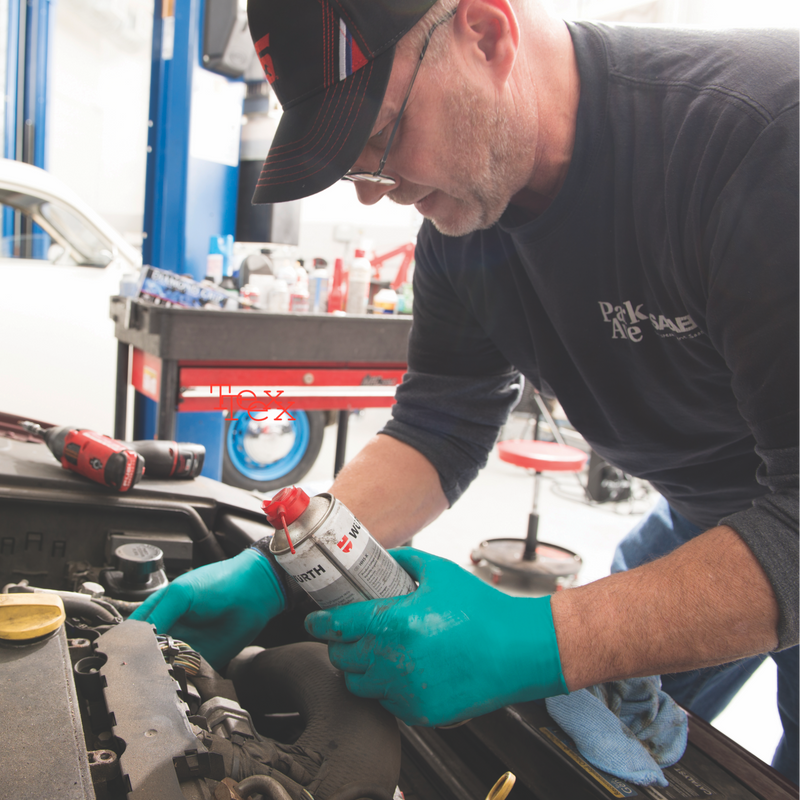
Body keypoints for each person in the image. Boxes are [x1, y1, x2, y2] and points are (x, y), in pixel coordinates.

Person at [133, 0, 800, 785]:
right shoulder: (465, 235)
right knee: (603, 754)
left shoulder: (756, 141)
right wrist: (280, 566)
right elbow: (437, 427)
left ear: (485, 34)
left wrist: (545, 639)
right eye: (354, 163)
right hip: (702, 510)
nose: (370, 192)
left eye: (378, 138)